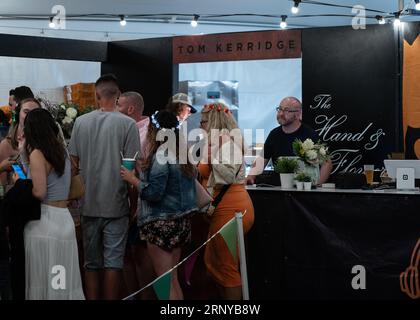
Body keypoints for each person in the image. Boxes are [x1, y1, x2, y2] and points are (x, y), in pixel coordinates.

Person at [68, 74, 140, 300]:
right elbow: (131, 169)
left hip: (88, 204)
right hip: (117, 205)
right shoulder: (128, 124)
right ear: (118, 96)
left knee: (90, 264)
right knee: (113, 263)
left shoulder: (80, 122)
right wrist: (133, 204)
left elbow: (73, 165)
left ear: (97, 95)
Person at [120, 110, 197, 300]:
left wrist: (133, 179)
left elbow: (154, 193)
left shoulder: (161, 155)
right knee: (172, 281)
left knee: (164, 283)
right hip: (180, 222)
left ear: (155, 132)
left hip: (161, 223)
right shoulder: (181, 155)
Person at [15, 108, 84, 300]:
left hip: (44, 222)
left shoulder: (38, 153)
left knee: (43, 278)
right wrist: (23, 156)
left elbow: (39, 191)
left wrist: (20, 184)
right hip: (64, 220)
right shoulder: (62, 151)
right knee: (61, 279)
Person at [198, 102, 255, 300]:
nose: (200, 125)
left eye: (204, 120)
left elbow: (228, 176)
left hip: (231, 210)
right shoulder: (215, 143)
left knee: (226, 266)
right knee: (215, 264)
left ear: (214, 120)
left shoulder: (227, 143)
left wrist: (211, 156)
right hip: (221, 210)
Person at [117, 91, 155, 299]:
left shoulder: (148, 133)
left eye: (119, 105)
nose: (115, 109)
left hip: (143, 205)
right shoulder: (126, 129)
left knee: (142, 257)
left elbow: (149, 173)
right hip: (125, 203)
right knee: (128, 256)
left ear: (130, 109)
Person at [246, 96, 332, 185]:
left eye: (286, 110)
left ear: (298, 114)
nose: (281, 114)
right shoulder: (274, 134)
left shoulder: (309, 134)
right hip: (279, 190)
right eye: (280, 109)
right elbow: (261, 160)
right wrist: (250, 177)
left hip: (303, 191)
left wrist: (317, 185)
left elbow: (327, 163)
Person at [0, 98, 40, 185]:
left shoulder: (44, 143)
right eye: (26, 112)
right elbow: (3, 184)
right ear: (18, 114)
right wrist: (2, 167)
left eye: (35, 113)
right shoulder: (6, 144)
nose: (30, 116)